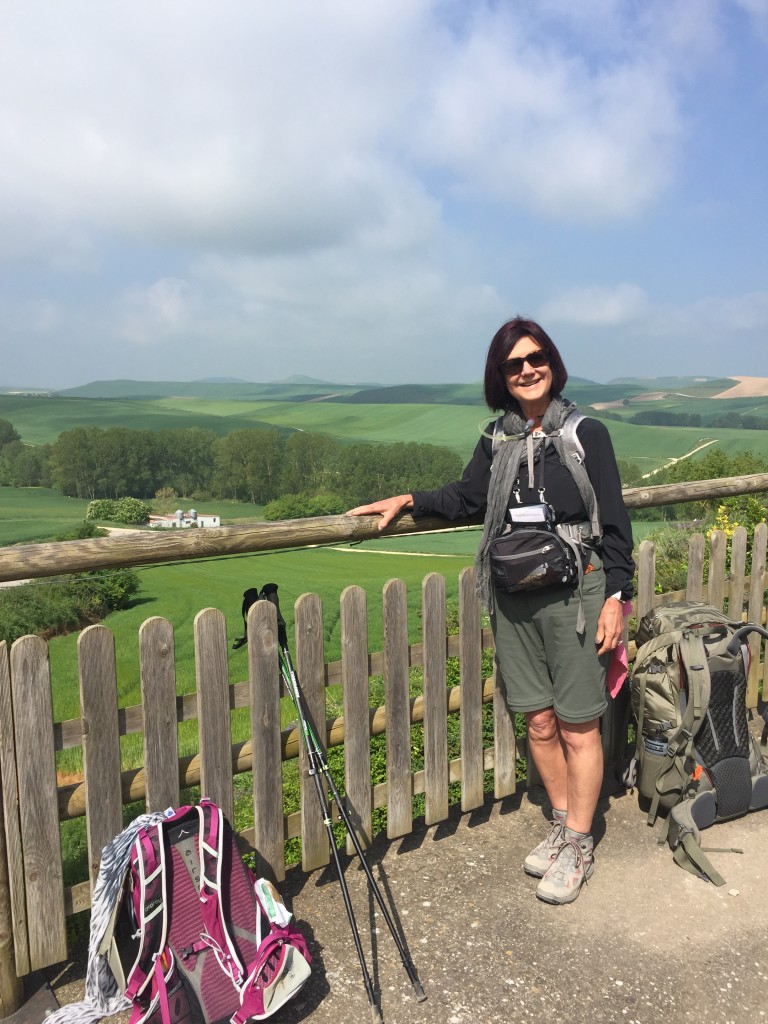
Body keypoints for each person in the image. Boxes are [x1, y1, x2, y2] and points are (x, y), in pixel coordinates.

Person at [348, 316, 635, 905]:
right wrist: (410, 499)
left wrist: (616, 598)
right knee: (538, 719)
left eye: (536, 360)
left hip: (577, 593)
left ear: (552, 364)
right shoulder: (496, 439)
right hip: (514, 597)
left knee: (579, 722)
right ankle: (561, 823)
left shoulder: (586, 433)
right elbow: (469, 497)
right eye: (514, 364)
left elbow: (616, 523)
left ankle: (579, 842)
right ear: (500, 377)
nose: (527, 370)